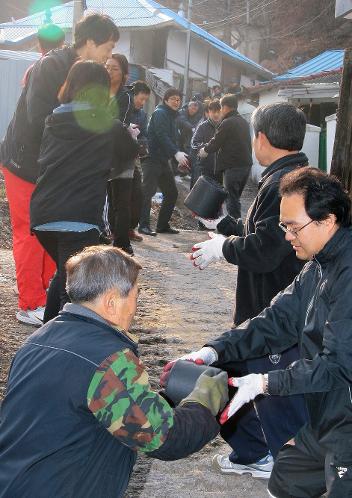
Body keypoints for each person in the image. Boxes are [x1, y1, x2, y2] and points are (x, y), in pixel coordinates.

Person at [168, 167, 352, 498]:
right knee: (288, 476)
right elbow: (275, 321)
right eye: (284, 226)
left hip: (346, 422)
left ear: (328, 220)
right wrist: (214, 350)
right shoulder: (318, 265)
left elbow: (338, 366)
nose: (286, 236)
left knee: (341, 481)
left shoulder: (348, 274)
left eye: (294, 226)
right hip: (330, 416)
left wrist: (265, 383)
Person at [0, 245, 229, 498]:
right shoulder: (109, 360)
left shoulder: (38, 340)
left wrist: (164, 399)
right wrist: (205, 401)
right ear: (111, 302)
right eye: (135, 295)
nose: (135, 306)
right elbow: (165, 438)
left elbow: (82, 409)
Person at [191, 103, 309, 478]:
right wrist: (224, 226)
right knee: (260, 376)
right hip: (282, 304)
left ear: (261, 137)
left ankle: (258, 453)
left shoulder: (283, 184)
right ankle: (263, 450)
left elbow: (267, 249)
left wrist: (223, 249)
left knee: (239, 371)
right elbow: (262, 236)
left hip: (272, 304)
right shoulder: (292, 176)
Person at [0, 13, 119, 326]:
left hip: (49, 166)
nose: (109, 55)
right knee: (28, 232)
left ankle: (43, 296)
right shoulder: (52, 65)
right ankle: (30, 303)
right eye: (107, 47)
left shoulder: (81, 70)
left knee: (48, 235)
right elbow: (39, 118)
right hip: (25, 162)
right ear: (90, 42)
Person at [30, 61, 139, 323]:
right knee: (77, 292)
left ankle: (48, 335)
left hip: (43, 214)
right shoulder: (108, 125)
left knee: (64, 273)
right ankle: (62, 346)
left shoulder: (52, 120)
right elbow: (129, 154)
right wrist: (130, 136)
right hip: (78, 217)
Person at [106, 56, 149, 255]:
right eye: (107, 67)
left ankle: (122, 244)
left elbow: (117, 124)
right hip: (102, 155)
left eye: (114, 68)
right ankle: (111, 236)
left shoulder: (124, 97)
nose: (109, 71)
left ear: (124, 74)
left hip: (122, 154)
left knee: (121, 201)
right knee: (107, 199)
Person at [138, 87, 189, 236]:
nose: (176, 102)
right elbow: (161, 136)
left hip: (162, 160)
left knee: (171, 192)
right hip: (151, 158)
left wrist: (177, 157)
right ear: (165, 100)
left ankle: (162, 225)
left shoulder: (172, 117)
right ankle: (143, 225)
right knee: (148, 192)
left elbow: (172, 139)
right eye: (172, 99)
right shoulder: (160, 113)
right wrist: (176, 153)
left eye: (178, 99)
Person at [199, 94, 252, 218]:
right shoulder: (243, 122)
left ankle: (234, 229)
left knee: (231, 198)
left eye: (221, 107)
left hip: (233, 166)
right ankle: (236, 225)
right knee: (235, 197)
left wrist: (205, 150)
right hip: (246, 165)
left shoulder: (227, 122)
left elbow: (216, 141)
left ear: (226, 107)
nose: (221, 110)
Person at [191, 99, 222, 185]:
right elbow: (194, 142)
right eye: (213, 112)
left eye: (218, 112)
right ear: (208, 112)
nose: (216, 114)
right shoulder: (203, 126)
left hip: (221, 169)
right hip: (205, 167)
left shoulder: (225, 126)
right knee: (201, 193)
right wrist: (204, 148)